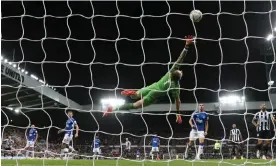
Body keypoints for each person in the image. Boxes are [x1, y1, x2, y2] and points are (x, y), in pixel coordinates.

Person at [103, 36, 195, 124]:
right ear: (179, 78)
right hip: (154, 95)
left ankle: (133, 94)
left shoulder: (171, 72)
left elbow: (180, 58)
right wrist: (178, 114)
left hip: (152, 87)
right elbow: (178, 101)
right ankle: (114, 108)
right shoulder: (175, 86)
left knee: (136, 94)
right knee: (135, 105)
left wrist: (187, 45)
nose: (181, 70)